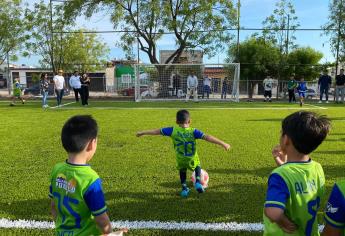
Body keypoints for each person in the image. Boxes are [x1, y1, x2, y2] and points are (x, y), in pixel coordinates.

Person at [49, 115, 127, 236]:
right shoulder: (90, 179)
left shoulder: (56, 169)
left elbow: (53, 206)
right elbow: (101, 218)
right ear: (91, 144)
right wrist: (111, 234)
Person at [263, 111, 330, 236]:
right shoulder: (317, 168)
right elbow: (301, 187)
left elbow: (273, 212)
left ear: (286, 139)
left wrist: (283, 222)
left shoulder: (279, 175)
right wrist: (283, 165)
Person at [136, 110, 230, 197]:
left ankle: (184, 189)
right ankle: (197, 181)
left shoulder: (172, 130)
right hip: (192, 158)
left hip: (181, 158)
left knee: (182, 171)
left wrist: (143, 132)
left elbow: (157, 131)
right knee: (197, 166)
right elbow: (207, 137)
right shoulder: (193, 131)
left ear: (176, 122)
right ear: (189, 121)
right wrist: (223, 143)